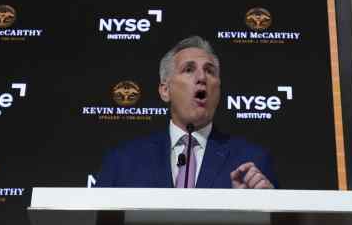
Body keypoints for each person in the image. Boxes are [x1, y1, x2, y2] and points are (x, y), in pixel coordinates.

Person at [95, 36, 277, 189]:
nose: (202, 78)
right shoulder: (123, 161)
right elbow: (96, 224)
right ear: (165, 90)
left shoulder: (252, 161)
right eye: (189, 70)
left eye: (210, 71)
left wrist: (267, 205)